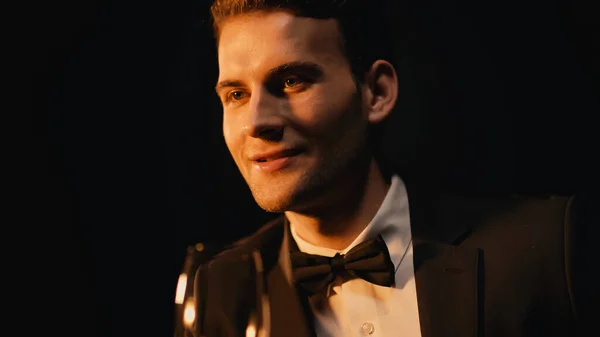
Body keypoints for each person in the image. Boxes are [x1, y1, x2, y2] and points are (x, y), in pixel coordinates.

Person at [188, 1, 592, 336]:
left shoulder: (547, 249)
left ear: (377, 92)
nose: (256, 122)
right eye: (237, 94)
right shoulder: (217, 292)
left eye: (292, 81)